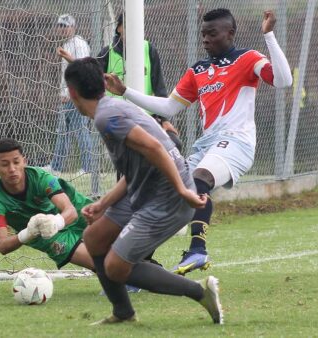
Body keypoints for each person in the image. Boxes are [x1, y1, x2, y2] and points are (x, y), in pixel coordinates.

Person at [105, 9, 293, 275]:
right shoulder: (198, 70)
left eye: (212, 34)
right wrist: (125, 91)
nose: (205, 39)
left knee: (199, 180)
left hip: (236, 142)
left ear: (230, 33)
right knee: (162, 192)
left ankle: (197, 251)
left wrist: (269, 36)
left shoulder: (248, 59)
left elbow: (284, 80)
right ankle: (141, 263)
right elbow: (169, 107)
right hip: (207, 145)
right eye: (203, 34)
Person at [64, 57, 223, 325]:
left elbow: (155, 148)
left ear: (72, 93)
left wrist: (182, 190)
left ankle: (199, 291)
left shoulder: (106, 117)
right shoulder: (111, 108)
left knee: (115, 266)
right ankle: (123, 313)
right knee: (94, 238)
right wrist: (104, 203)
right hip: (148, 190)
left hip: (167, 198)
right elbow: (137, 166)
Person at [0, 137, 140, 292]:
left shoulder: (41, 178)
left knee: (126, 229)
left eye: (16, 162)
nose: (12, 169)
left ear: (24, 161)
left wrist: (54, 222)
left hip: (73, 209)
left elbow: (70, 211)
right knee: (101, 262)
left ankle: (143, 268)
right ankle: (128, 280)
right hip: (43, 234)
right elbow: (2, 245)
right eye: (5, 164)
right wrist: (28, 233)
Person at [97, 13, 182, 151]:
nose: (132, 30)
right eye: (127, 26)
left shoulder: (148, 49)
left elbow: (159, 87)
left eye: (135, 26)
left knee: (174, 144)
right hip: (118, 119)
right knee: (129, 155)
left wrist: (165, 120)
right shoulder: (107, 53)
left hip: (148, 117)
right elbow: (94, 85)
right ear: (119, 28)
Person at [44, 14, 92, 176]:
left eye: (65, 26)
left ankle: (88, 168)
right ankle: (56, 166)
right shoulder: (67, 44)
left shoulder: (79, 44)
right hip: (68, 95)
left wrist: (71, 94)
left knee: (81, 131)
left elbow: (84, 68)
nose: (62, 29)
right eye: (60, 26)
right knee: (62, 132)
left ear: (73, 27)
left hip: (78, 96)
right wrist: (63, 92)